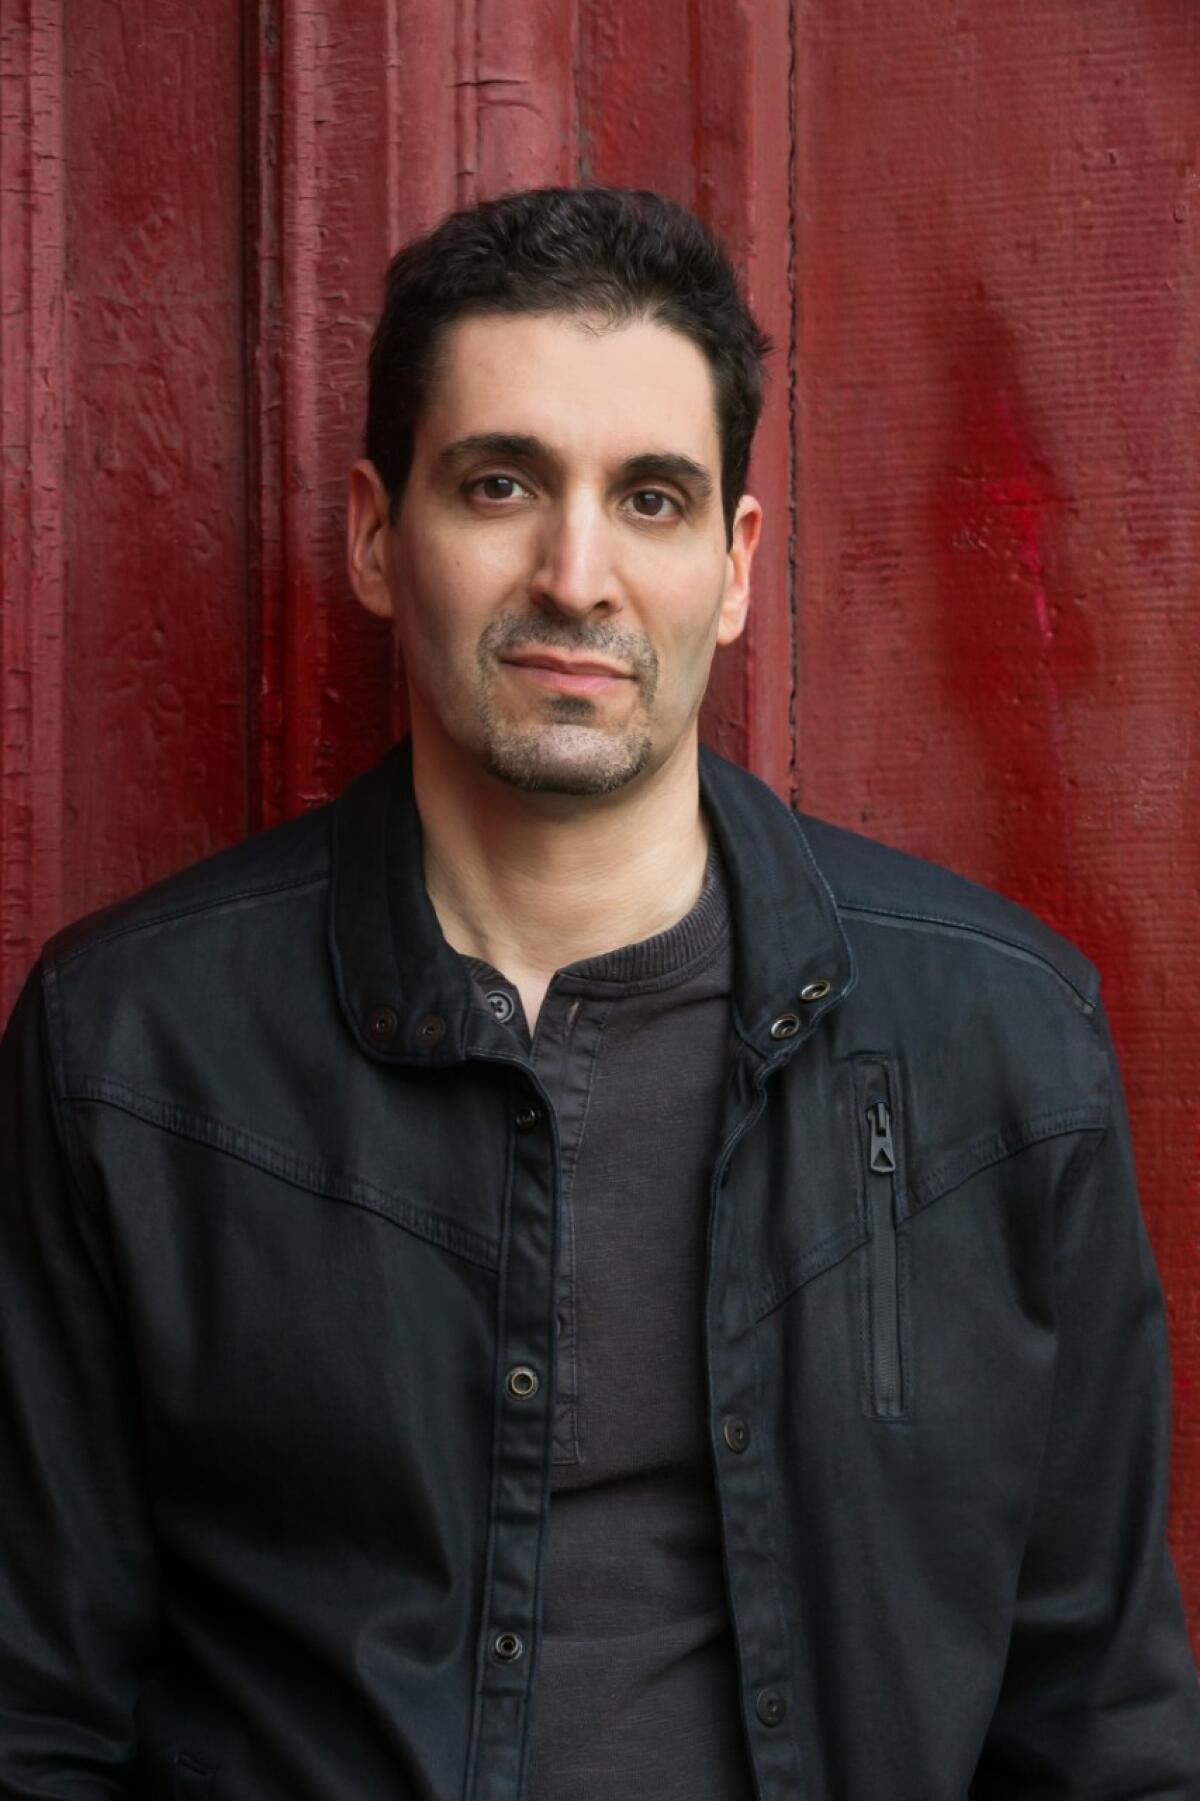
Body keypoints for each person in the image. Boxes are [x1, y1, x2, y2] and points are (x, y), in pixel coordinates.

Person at [0, 185, 1197, 1801]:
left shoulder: (1002, 1045)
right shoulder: (130, 1052)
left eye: (650, 498)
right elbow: (34, 1714)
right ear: (377, 532)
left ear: (735, 564)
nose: (577, 574)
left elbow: (1105, 1725)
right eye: (502, 483)